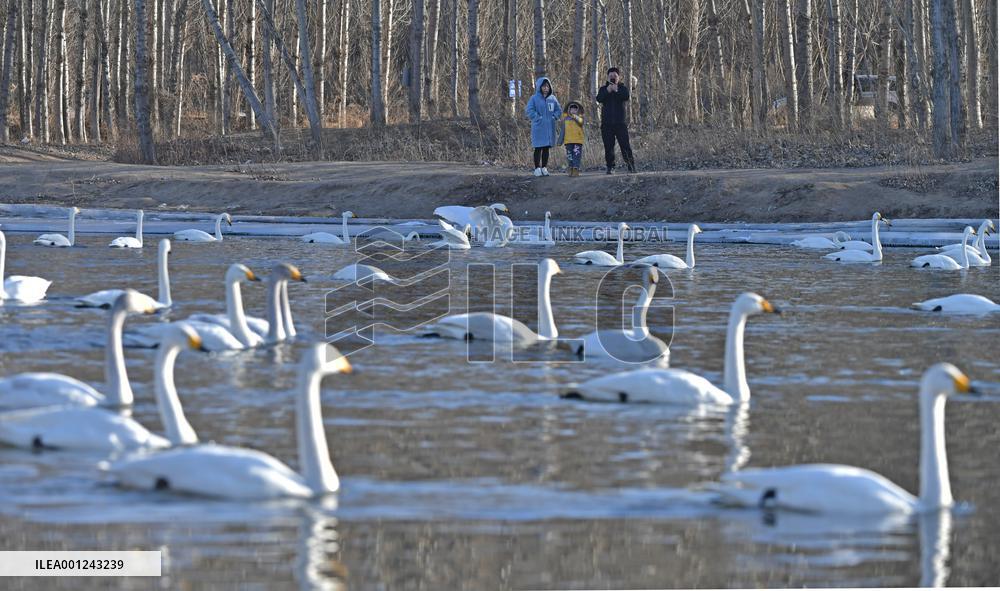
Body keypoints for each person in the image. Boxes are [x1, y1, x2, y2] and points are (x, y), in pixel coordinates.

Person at [596, 67, 635, 174]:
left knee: (625, 145)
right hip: (606, 124)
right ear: (608, 77)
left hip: (620, 123)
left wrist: (616, 90)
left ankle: (631, 165)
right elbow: (598, 98)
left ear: (618, 77)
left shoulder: (622, 88)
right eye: (611, 76)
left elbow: (626, 96)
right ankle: (610, 167)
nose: (613, 78)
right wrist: (608, 90)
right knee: (608, 146)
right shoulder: (603, 88)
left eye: (615, 76)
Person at [525, 77, 562, 177]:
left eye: (547, 86)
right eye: (544, 86)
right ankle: (537, 168)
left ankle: (544, 167)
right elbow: (529, 110)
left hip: (549, 127)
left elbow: (559, 110)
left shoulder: (553, 99)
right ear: (539, 87)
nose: (546, 88)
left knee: (546, 148)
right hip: (538, 127)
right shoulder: (534, 98)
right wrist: (538, 118)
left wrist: (554, 117)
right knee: (538, 148)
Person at [561, 101, 585, 177]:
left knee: (576, 156)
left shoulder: (580, 118)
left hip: (577, 141)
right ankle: (571, 169)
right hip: (568, 141)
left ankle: (576, 169)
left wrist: (575, 116)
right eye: (572, 109)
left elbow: (581, 122)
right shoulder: (566, 118)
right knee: (570, 156)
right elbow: (563, 130)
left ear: (577, 110)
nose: (573, 111)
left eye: (575, 109)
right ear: (569, 110)